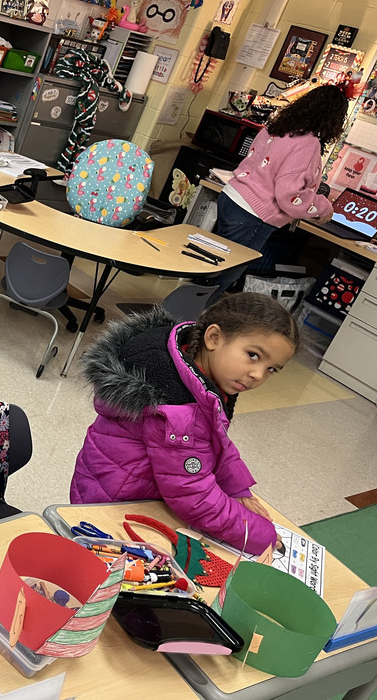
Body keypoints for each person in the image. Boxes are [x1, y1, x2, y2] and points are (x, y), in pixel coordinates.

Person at [70, 293, 298, 555]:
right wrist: (259, 535)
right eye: (254, 356)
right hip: (113, 510)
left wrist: (237, 488)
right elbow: (196, 498)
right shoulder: (178, 409)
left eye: (272, 369)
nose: (258, 375)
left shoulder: (189, 364)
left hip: (131, 489)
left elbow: (215, 441)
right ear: (214, 338)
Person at [207, 83, 349, 305]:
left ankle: (179, 321)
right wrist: (321, 206)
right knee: (221, 279)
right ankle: (183, 327)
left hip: (232, 197)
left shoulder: (276, 128)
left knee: (211, 268)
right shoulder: (308, 143)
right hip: (253, 215)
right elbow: (289, 195)